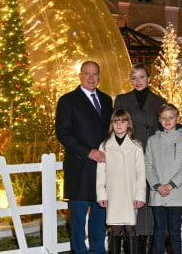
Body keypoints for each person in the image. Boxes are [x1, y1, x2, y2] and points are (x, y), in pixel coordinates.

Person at [55, 61, 113, 254]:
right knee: (78, 223)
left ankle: (98, 251)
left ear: (99, 77)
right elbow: (63, 133)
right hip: (79, 169)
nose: (91, 78)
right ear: (80, 76)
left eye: (95, 74)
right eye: (87, 74)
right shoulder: (67, 100)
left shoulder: (106, 100)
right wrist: (88, 152)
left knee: (100, 219)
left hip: (102, 169)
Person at [114, 64, 166, 253]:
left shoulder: (160, 101)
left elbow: (165, 128)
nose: (138, 81)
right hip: (129, 157)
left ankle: (149, 248)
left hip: (152, 158)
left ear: (149, 79)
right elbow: (116, 127)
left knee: (148, 204)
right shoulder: (122, 99)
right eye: (134, 77)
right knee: (131, 202)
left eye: (142, 77)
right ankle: (130, 247)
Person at [145, 103, 182, 254]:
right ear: (159, 120)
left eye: (171, 118)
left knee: (175, 228)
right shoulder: (152, 141)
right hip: (158, 192)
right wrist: (157, 185)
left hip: (177, 192)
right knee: (159, 229)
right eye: (164, 118)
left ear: (177, 118)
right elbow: (148, 165)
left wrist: (171, 184)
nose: (167, 121)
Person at [96, 109, 146, 254]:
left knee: (130, 228)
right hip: (113, 195)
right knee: (115, 229)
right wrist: (101, 194)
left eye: (123, 121)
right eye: (116, 122)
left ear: (128, 124)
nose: (119, 125)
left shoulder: (136, 146)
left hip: (130, 194)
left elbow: (141, 173)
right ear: (112, 124)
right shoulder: (105, 146)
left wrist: (140, 196)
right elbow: (100, 174)